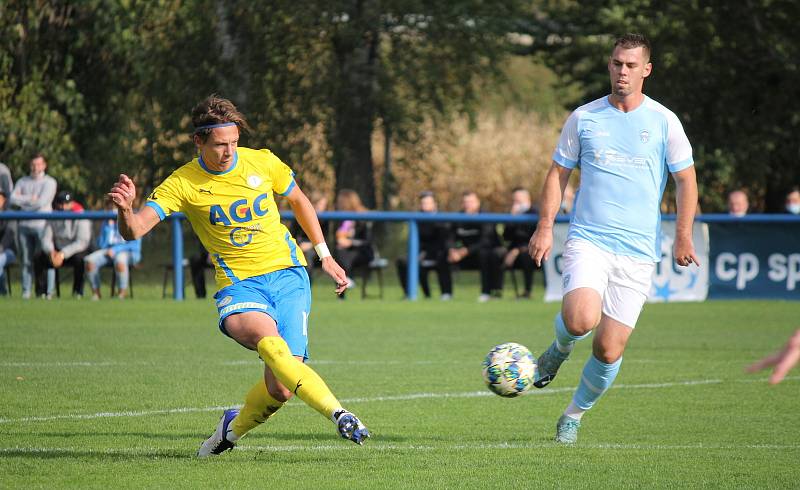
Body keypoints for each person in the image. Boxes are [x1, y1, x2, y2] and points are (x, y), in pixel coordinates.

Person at [106, 95, 369, 456]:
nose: (229, 152)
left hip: (289, 276)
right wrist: (125, 211)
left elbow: (299, 201)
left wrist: (324, 255)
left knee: (281, 388)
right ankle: (339, 413)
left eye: (234, 142)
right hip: (240, 285)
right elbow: (134, 230)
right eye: (220, 145)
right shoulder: (183, 183)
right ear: (198, 142)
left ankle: (231, 429)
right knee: (271, 345)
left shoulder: (262, 161)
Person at [527, 33, 699, 444]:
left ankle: (573, 415)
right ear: (609, 65)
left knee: (608, 350)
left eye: (630, 65)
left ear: (646, 70)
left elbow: (686, 180)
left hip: (638, 252)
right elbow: (558, 174)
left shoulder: (663, 121)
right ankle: (560, 347)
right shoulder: (585, 118)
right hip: (590, 239)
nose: (622, 72)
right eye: (616, 63)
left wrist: (683, 236)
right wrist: (545, 226)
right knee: (580, 319)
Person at [7, 154, 57, 299]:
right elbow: (12, 199)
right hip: (24, 225)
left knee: (48, 256)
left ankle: (49, 292)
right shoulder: (23, 181)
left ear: (44, 165)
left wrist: (24, 202)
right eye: (33, 164)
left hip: (43, 225)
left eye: (38, 164)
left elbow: (41, 202)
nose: (35, 167)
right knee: (26, 260)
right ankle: (26, 292)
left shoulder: (50, 182)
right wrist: (30, 199)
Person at [447, 190, 504, 302]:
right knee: (443, 256)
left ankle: (487, 292)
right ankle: (446, 294)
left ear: (478, 202)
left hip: (484, 253)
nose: (468, 204)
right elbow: (449, 237)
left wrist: (466, 251)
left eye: (471, 201)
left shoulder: (486, 217)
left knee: (486, 255)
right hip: (464, 255)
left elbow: (486, 241)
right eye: (465, 202)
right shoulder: (457, 218)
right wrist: (452, 250)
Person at [396, 191, 453, 300]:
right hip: (421, 253)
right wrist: (419, 254)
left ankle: (446, 293)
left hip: (438, 252)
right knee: (402, 261)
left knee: (443, 257)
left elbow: (444, 241)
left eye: (428, 203)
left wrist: (425, 253)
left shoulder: (443, 219)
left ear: (435, 204)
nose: (425, 205)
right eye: (423, 203)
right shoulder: (417, 219)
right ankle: (410, 294)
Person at [35, 191, 92, 298]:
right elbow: (46, 238)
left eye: (66, 203)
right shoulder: (53, 215)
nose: (63, 206)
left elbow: (82, 242)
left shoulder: (80, 214)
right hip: (56, 251)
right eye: (60, 203)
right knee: (38, 257)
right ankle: (41, 293)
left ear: (72, 203)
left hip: (73, 251)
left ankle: (77, 292)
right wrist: (51, 251)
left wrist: (63, 254)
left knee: (80, 259)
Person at [84, 213, 142, 300]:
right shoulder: (107, 221)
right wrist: (109, 228)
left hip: (128, 252)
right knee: (90, 261)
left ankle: (121, 295)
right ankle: (96, 294)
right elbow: (101, 245)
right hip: (108, 252)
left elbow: (134, 245)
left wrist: (115, 250)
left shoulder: (132, 219)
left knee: (120, 260)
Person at [333, 188, 374, 297]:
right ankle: (342, 291)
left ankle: (346, 280)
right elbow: (338, 235)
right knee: (339, 252)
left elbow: (367, 241)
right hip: (345, 252)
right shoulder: (341, 218)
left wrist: (351, 242)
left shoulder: (363, 217)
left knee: (343, 255)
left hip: (363, 252)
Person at [501, 187, 538, 299]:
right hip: (513, 249)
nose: (515, 203)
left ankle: (527, 291)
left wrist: (517, 250)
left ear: (527, 199)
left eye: (518, 200)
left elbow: (534, 237)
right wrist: (512, 218)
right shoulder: (513, 214)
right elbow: (506, 236)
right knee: (495, 254)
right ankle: (495, 291)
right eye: (514, 200)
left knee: (526, 256)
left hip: (529, 250)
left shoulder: (535, 213)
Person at [290, 190, 329, 282]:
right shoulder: (300, 216)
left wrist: (311, 244)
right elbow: (293, 235)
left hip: (316, 248)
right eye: (320, 204)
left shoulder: (325, 219)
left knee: (309, 255)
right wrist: (299, 245)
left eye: (324, 205)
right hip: (299, 245)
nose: (323, 207)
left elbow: (325, 239)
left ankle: (307, 282)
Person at [0, 190, 17, 296]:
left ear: (4, 200)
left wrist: (0, 248)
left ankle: (3, 291)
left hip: (8, 251)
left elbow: (9, 235)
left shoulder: (10, 214)